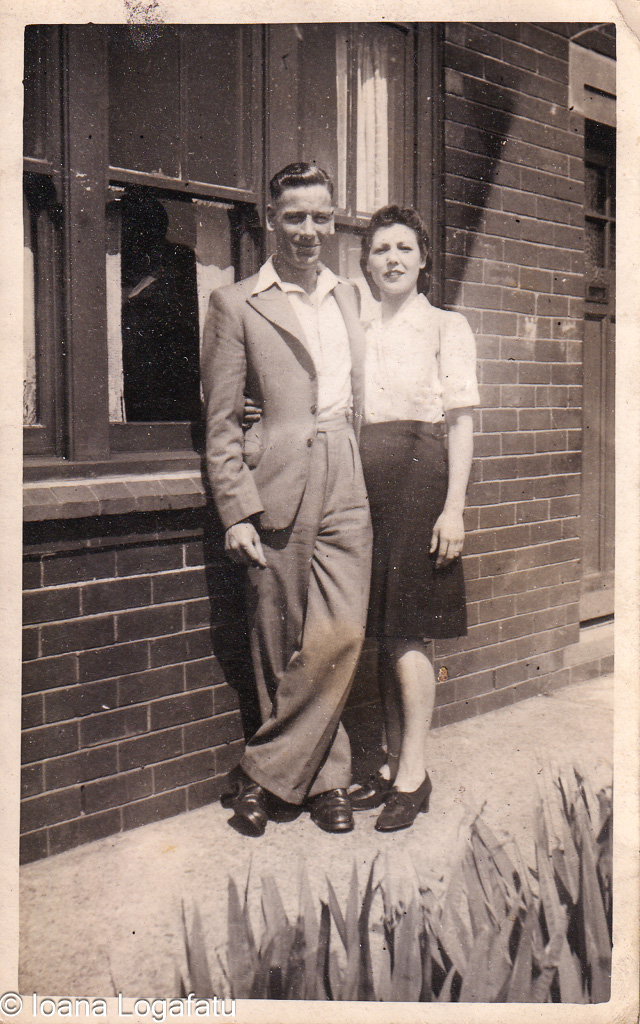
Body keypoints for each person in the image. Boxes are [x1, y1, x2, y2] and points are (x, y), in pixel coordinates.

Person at [201, 162, 372, 837]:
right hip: (275, 473)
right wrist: (236, 507)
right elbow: (220, 418)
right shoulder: (238, 302)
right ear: (271, 218)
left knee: (342, 632)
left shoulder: (349, 296)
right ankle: (324, 782)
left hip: (346, 471)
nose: (309, 230)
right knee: (280, 636)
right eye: (295, 216)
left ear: (334, 220)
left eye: (321, 216)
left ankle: (257, 772)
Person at [349, 205, 479, 832]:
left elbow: (461, 423)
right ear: (367, 262)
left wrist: (453, 507)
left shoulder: (446, 327)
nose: (393, 258)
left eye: (405, 247)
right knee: (377, 626)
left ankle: (414, 773)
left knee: (407, 628)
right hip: (364, 478)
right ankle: (389, 764)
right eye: (380, 249)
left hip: (420, 478)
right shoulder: (361, 327)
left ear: (424, 259)